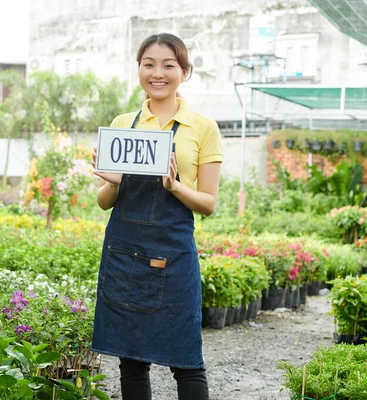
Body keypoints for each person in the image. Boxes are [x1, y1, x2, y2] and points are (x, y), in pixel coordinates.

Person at [90, 32, 223, 400]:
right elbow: (104, 201)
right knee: (130, 361)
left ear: (184, 71)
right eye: (148, 64)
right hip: (125, 252)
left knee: (187, 361)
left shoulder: (203, 127)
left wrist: (175, 185)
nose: (157, 73)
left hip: (175, 253)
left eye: (168, 65)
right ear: (139, 69)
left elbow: (208, 203)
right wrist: (113, 182)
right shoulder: (123, 124)